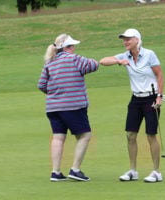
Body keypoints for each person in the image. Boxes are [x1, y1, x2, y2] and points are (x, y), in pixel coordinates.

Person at [99, 28, 164, 183]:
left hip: (151, 98)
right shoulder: (125, 56)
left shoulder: (149, 54)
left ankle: (156, 172)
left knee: (150, 135)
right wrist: (118, 61)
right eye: (124, 39)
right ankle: (133, 171)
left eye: (128, 39)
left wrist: (159, 97)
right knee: (130, 135)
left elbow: (159, 74)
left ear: (137, 40)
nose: (125, 42)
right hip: (135, 99)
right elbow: (102, 61)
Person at [38, 33, 99, 182]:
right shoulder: (74, 59)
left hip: (53, 108)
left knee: (58, 137)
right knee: (85, 135)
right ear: (67, 48)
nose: (74, 48)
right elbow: (93, 65)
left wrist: (54, 93)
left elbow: (41, 85)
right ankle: (75, 170)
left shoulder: (49, 62)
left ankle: (56, 172)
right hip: (73, 106)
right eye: (72, 46)